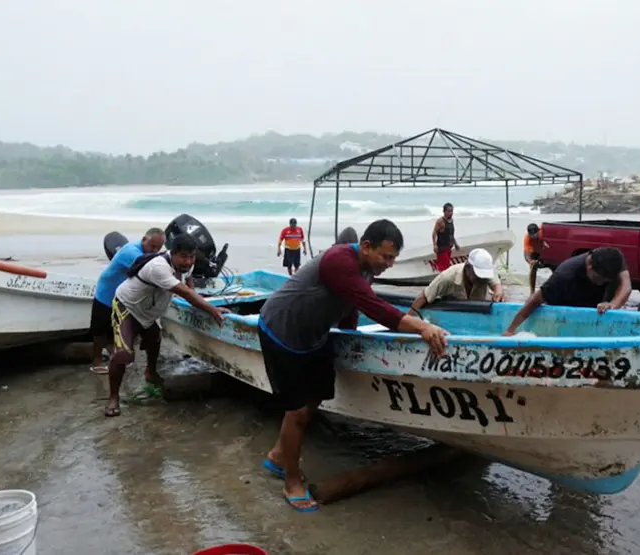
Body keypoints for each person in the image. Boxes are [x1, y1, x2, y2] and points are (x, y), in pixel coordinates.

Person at [257, 219, 450, 513]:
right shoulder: (339, 261)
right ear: (366, 246)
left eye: (394, 258)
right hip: (282, 331)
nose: (389, 264)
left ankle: (278, 455)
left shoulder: (366, 267)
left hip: (316, 334)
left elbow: (351, 306)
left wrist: (354, 339)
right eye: (386, 257)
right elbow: (374, 306)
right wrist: (422, 327)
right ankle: (292, 481)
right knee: (296, 411)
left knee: (317, 394)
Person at [106, 233, 229, 417]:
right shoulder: (159, 268)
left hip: (149, 313)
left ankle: (151, 372)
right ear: (172, 253)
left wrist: (194, 297)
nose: (188, 262)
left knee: (155, 340)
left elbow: (188, 284)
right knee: (123, 354)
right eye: (183, 257)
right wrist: (212, 309)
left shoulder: (188, 265)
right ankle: (113, 397)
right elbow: (185, 293)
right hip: (128, 308)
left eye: (191, 257)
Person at [503, 247, 631, 336]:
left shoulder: (613, 258)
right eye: (599, 279)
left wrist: (613, 304)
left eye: (607, 281)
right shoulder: (564, 275)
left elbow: (626, 286)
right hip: (568, 308)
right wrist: (510, 330)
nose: (602, 283)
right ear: (589, 265)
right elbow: (534, 301)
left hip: (598, 306)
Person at [89, 228, 165, 374]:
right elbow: (148, 271)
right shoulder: (131, 252)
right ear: (144, 240)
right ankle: (96, 361)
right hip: (106, 293)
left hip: (123, 297)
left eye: (158, 248)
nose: (154, 250)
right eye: (152, 246)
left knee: (115, 329)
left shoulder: (149, 254)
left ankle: (115, 356)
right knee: (100, 331)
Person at [409, 247, 504, 314]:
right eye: (478, 275)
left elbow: (496, 284)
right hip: (451, 314)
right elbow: (424, 296)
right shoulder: (448, 277)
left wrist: (498, 292)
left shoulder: (487, 275)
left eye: (484, 276)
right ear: (467, 267)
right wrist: (408, 319)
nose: (481, 279)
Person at [432, 203, 459, 272]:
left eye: (451, 211)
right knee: (445, 268)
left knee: (446, 267)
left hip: (449, 248)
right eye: (449, 211)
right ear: (444, 211)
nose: (450, 213)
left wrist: (455, 244)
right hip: (442, 249)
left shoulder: (451, 221)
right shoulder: (440, 221)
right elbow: (434, 233)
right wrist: (434, 245)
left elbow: (451, 234)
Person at [523, 223, 549, 294]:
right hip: (535, 251)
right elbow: (526, 253)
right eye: (531, 236)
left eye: (535, 235)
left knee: (554, 266)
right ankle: (532, 292)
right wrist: (530, 261)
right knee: (532, 268)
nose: (534, 237)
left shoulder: (543, 231)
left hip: (545, 249)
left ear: (538, 231)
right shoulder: (527, 239)